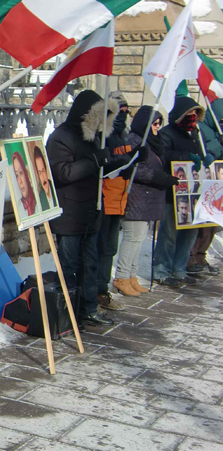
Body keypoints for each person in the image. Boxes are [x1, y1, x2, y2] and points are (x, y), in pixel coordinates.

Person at [46, 90, 134, 327]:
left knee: (90, 265)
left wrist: (127, 160)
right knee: (69, 266)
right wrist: (95, 161)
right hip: (70, 214)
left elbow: (100, 166)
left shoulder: (95, 138)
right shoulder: (61, 137)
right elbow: (62, 173)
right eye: (98, 117)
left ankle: (89, 308)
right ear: (86, 115)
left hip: (91, 212)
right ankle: (67, 312)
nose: (101, 123)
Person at [115, 108, 177, 296]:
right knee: (132, 237)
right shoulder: (135, 139)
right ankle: (121, 277)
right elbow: (136, 169)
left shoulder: (153, 141)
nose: (157, 127)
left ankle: (131, 276)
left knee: (140, 237)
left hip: (148, 199)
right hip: (136, 196)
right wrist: (159, 178)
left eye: (159, 123)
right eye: (154, 123)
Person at [153, 96, 209, 287]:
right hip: (173, 192)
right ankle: (161, 269)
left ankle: (179, 268)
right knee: (169, 234)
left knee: (190, 233)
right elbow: (163, 156)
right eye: (189, 114)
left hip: (194, 193)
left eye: (195, 114)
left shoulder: (195, 133)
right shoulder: (167, 133)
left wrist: (206, 159)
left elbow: (200, 157)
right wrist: (186, 157)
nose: (193, 118)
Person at [96, 91, 134, 312]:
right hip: (105, 198)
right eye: (120, 110)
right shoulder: (104, 135)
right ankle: (98, 290)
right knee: (101, 248)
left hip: (119, 199)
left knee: (110, 248)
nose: (125, 114)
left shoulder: (123, 135)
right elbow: (105, 164)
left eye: (127, 110)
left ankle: (102, 289)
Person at [186, 97, 223, 276]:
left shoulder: (218, 131)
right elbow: (201, 149)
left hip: (217, 183)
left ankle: (201, 254)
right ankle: (191, 257)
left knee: (212, 221)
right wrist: (216, 148)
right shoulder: (203, 129)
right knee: (199, 221)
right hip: (202, 181)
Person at [11, 150, 39, 217]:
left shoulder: (38, 202)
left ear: (26, 174)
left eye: (21, 172)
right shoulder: (19, 207)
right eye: (16, 175)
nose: (20, 181)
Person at [33, 145, 55, 210]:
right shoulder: (39, 201)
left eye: (43, 171)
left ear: (46, 170)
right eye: (39, 172)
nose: (43, 177)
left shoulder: (55, 188)